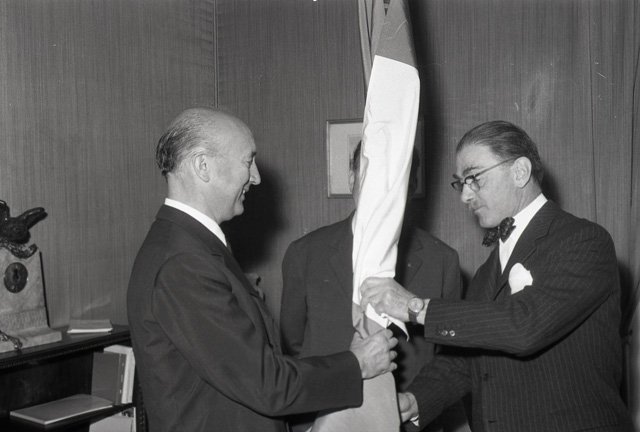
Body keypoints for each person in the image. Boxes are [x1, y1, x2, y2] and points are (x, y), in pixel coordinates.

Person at [127, 107, 398, 432]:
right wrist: (358, 364)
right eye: (247, 161)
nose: (255, 177)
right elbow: (266, 384)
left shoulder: (187, 246)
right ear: (203, 166)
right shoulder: (184, 263)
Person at [360, 120, 634, 432]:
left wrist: (414, 307)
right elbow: (465, 360)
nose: (465, 196)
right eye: (461, 183)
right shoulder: (485, 273)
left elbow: (525, 326)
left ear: (520, 172)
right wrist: (414, 401)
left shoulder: (584, 241)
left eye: (474, 178)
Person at [280, 141, 466, 431]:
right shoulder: (304, 254)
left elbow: (451, 359)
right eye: (371, 174)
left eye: (395, 177)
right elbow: (292, 347)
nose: (382, 188)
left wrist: (417, 402)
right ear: (352, 179)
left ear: (411, 186)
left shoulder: (442, 260)